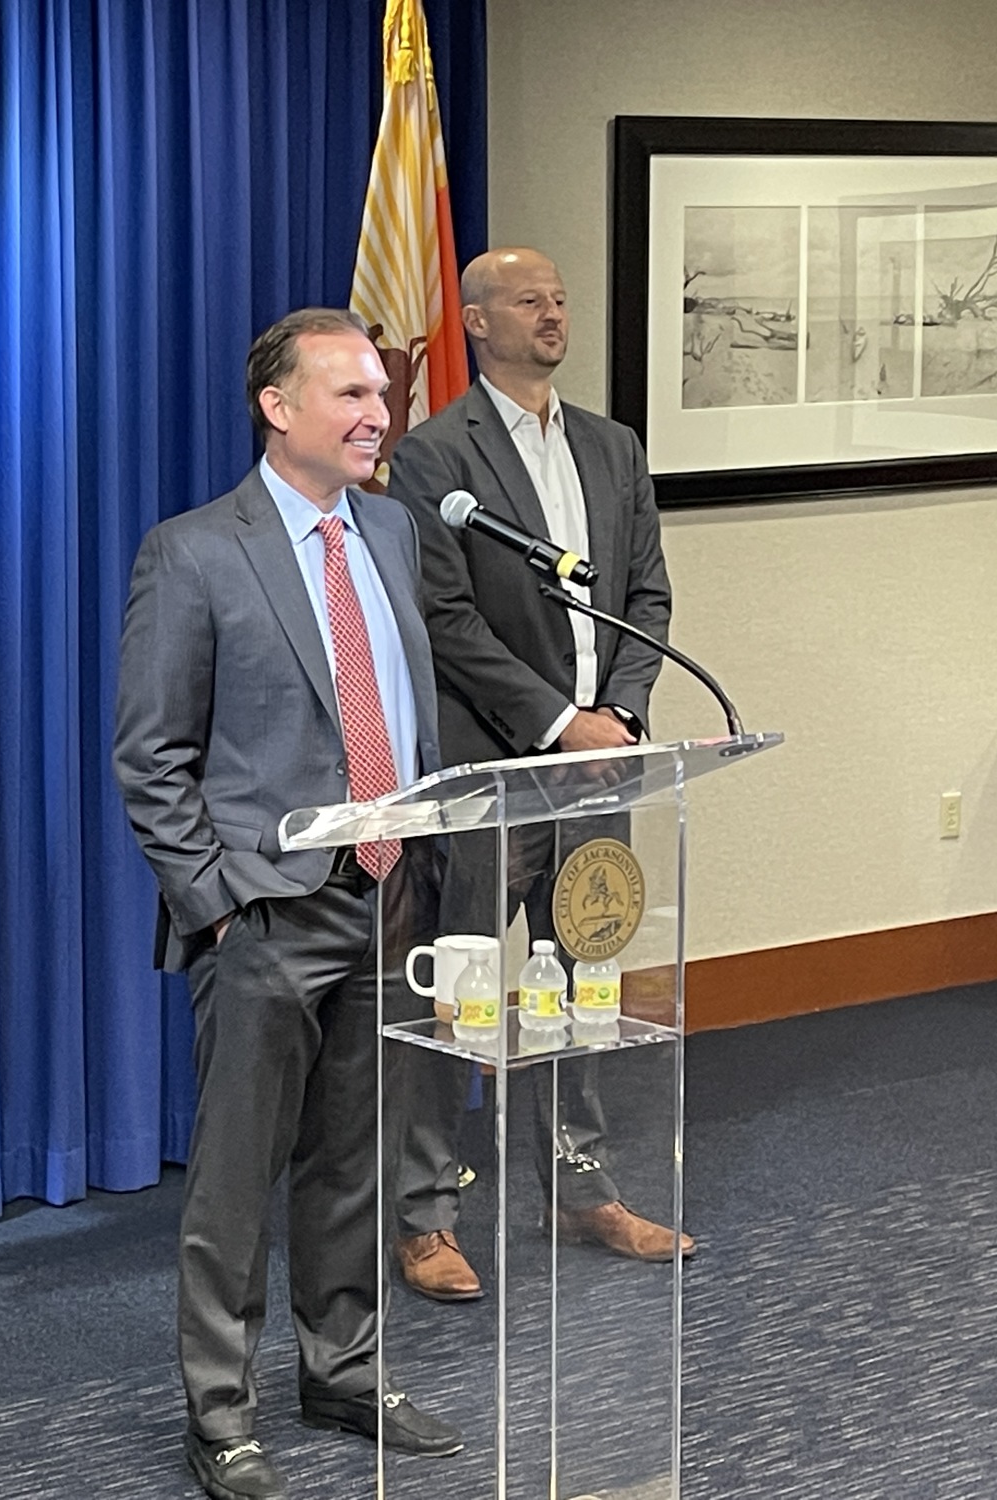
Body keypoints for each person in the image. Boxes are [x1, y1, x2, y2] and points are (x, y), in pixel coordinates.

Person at [115, 308, 462, 1500]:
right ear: (277, 407)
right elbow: (150, 758)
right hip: (265, 913)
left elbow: (404, 708)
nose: (378, 417)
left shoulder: (397, 531)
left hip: (389, 896)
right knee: (233, 1179)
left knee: (355, 1161)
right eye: (352, 397)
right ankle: (219, 1413)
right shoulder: (195, 550)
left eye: (381, 395)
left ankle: (344, 1370)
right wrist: (215, 907)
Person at [386, 247, 691, 1300]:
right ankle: (424, 1217)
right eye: (528, 300)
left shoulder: (610, 446)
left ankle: (579, 1188)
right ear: (474, 322)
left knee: (583, 984)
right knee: (460, 990)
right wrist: (557, 720)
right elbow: (445, 618)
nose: (553, 313)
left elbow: (644, 594)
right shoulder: (433, 456)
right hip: (490, 768)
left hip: (601, 768)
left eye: (560, 297)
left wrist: (619, 712)